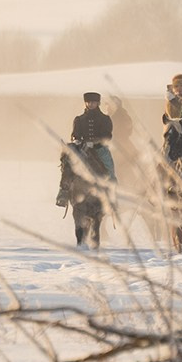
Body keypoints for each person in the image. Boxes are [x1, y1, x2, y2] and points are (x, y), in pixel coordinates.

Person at [60, 91, 116, 249]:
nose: (91, 104)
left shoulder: (105, 119)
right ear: (85, 103)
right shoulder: (79, 119)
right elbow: (74, 134)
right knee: (67, 162)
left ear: (98, 103)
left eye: (94, 102)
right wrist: (77, 141)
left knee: (109, 168)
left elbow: (108, 136)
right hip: (82, 148)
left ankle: (112, 198)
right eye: (88, 102)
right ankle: (63, 192)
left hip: (99, 150)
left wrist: (96, 143)